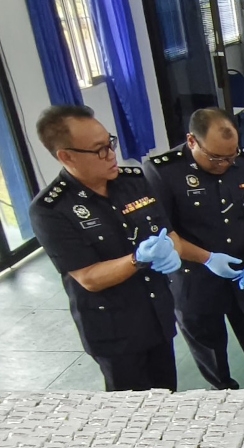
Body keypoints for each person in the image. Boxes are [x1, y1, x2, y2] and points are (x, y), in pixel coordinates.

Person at [28, 105, 179, 391]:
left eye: (110, 143)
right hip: (114, 330)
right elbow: (89, 277)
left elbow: (166, 233)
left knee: (167, 396)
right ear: (66, 156)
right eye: (99, 150)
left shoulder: (132, 182)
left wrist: (174, 249)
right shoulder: (51, 209)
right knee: (130, 415)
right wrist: (138, 259)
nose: (111, 154)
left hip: (157, 314)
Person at [143, 108, 244, 390]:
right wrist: (207, 258)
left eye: (231, 156)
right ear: (192, 141)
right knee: (209, 349)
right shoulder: (162, 171)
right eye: (217, 158)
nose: (226, 163)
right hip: (194, 280)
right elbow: (165, 235)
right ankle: (223, 394)